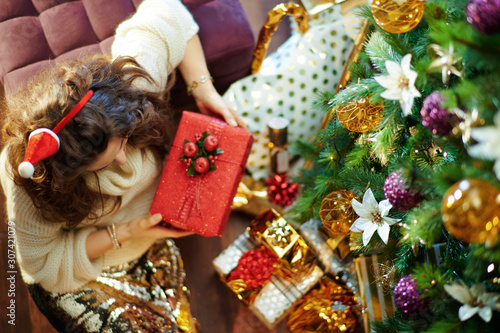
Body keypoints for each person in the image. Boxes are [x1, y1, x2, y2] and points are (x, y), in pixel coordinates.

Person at [0, 0, 247, 331]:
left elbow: (168, 12)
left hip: (145, 230)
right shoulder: (29, 183)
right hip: (77, 265)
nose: (123, 160)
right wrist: (128, 232)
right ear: (67, 175)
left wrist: (204, 89)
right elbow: (43, 264)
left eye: (124, 141)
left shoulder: (129, 91)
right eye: (102, 165)